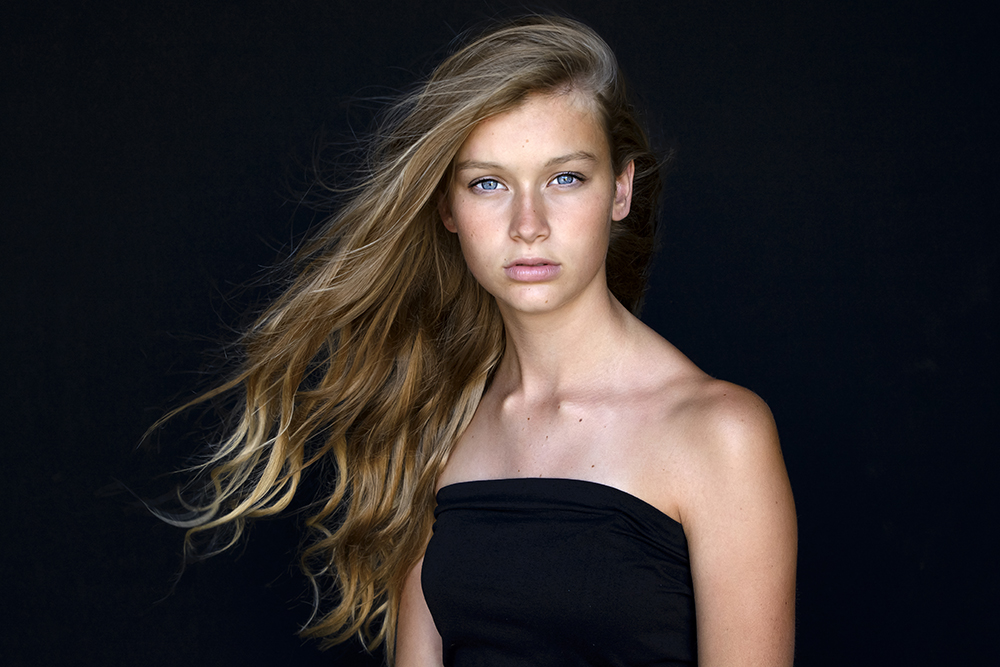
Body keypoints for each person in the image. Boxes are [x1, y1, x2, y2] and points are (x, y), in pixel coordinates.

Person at [156, 15, 796, 667]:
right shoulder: (444, 425)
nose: (528, 224)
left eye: (565, 177)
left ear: (621, 188)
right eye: (488, 183)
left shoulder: (720, 435)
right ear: (448, 208)